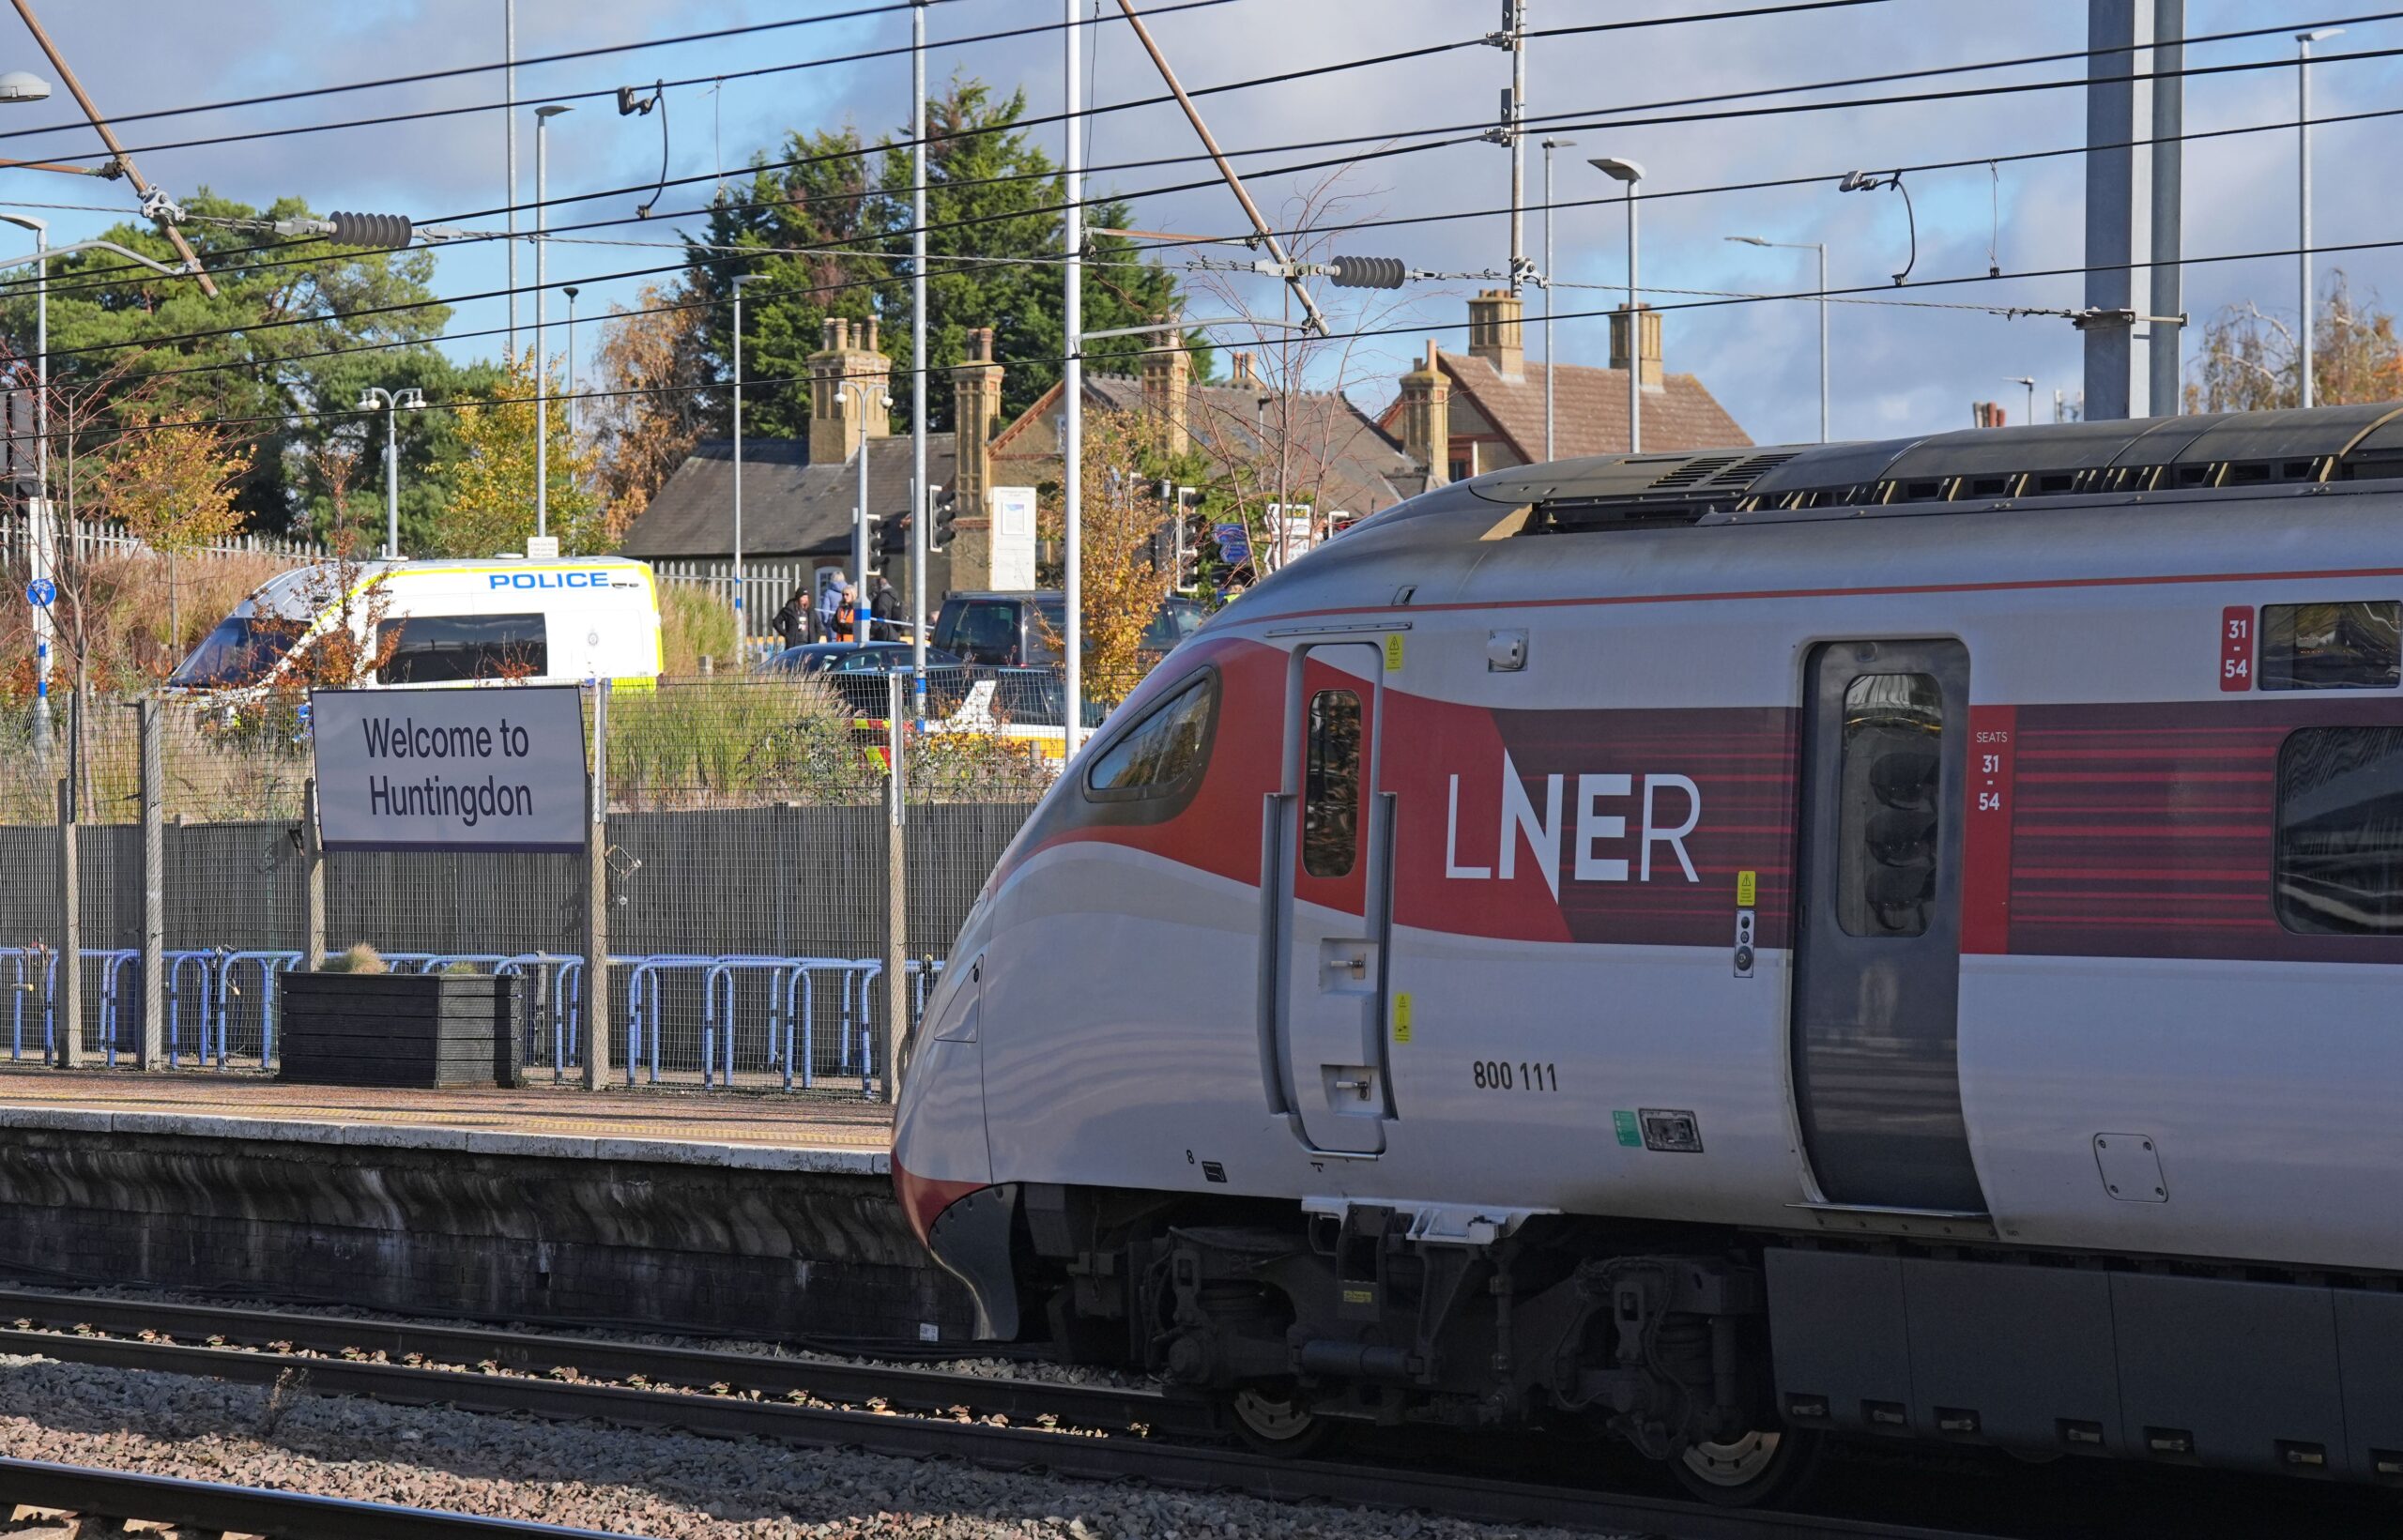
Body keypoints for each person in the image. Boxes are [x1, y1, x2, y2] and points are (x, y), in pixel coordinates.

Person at [771, 586, 809, 650]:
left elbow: (817, 624)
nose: (805, 599)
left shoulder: (809, 610)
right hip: (794, 642)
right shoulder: (789, 609)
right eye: (803, 597)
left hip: (807, 642)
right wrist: (786, 634)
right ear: (798, 598)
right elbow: (776, 622)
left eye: (806, 597)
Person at [815, 569, 846, 642]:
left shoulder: (828, 593)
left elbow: (825, 611)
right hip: (845, 623)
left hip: (832, 624)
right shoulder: (848, 591)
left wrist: (825, 622)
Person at [869, 573, 900, 642]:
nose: (873, 589)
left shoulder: (883, 597)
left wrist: (872, 630)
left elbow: (882, 615)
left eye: (874, 586)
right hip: (892, 632)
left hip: (885, 633)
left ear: (879, 585)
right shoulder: (892, 595)